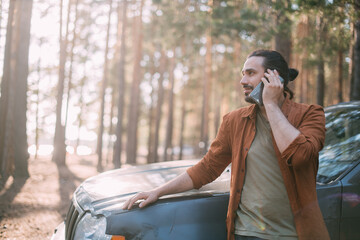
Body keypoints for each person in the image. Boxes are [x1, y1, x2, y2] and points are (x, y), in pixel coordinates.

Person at [122, 50, 330, 240]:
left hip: (295, 235)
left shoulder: (310, 114)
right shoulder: (235, 120)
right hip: (245, 233)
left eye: (250, 73)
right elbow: (207, 168)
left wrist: (271, 104)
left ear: (273, 78)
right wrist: (158, 191)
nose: (242, 81)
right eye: (242, 73)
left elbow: (301, 156)